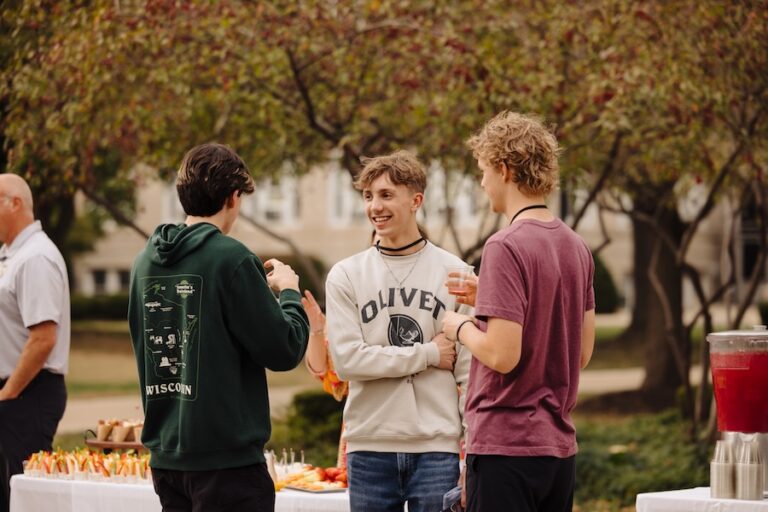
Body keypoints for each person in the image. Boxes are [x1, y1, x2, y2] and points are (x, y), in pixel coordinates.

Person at [127, 143, 309, 512]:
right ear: (233, 197)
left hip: (167, 461)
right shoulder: (232, 259)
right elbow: (285, 349)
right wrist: (289, 293)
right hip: (228, 466)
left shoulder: (143, 262)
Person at [442, 111, 596, 512]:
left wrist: (458, 325)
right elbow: (580, 351)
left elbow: (502, 355)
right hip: (558, 451)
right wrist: (489, 298)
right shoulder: (576, 246)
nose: (481, 183)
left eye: (483, 171)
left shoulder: (504, 245)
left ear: (505, 169)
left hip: (505, 450)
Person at [325, 150, 472, 512]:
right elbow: (347, 362)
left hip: (437, 448)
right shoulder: (346, 275)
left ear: (416, 200)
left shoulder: (455, 274)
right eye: (368, 196)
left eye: (387, 195)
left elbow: (470, 374)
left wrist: (471, 453)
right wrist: (430, 354)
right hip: (370, 446)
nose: (375, 206)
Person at [0, 174, 69, 512]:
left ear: (14, 203)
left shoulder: (36, 257)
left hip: (27, 393)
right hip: (15, 391)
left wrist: (8, 393)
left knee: (23, 495)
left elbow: (43, 339)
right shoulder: (10, 256)